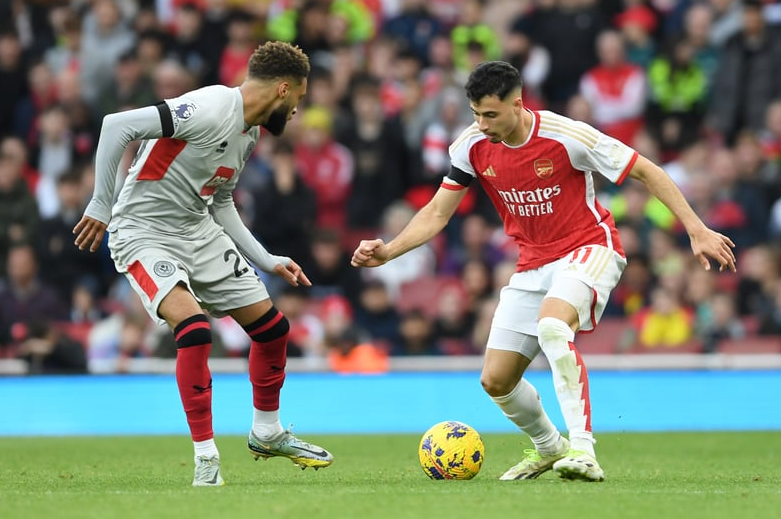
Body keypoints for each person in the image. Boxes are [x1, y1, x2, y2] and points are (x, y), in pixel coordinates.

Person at [351, 60, 736, 482]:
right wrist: (389, 251)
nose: (482, 123)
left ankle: (583, 449)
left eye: (491, 114)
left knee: (553, 326)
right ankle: (549, 447)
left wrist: (696, 230)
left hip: (590, 247)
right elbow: (438, 212)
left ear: (518, 104)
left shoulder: (566, 135)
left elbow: (646, 169)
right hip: (533, 262)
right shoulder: (470, 145)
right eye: (476, 114)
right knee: (496, 380)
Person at [73, 41, 333, 487]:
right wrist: (100, 202)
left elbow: (223, 198)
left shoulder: (249, 132)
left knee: (273, 330)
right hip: (144, 231)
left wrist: (266, 258)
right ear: (284, 89)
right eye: (299, 100)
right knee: (194, 330)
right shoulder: (210, 106)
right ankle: (206, 458)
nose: (296, 112)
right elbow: (116, 126)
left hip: (198, 229)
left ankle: (267, 433)